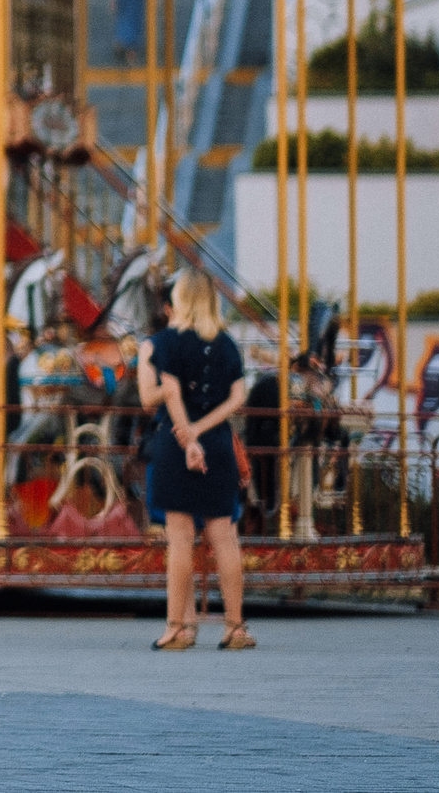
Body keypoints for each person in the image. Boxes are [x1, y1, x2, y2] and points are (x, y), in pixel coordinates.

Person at [148, 269, 255, 651]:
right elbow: (238, 396)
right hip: (219, 445)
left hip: (178, 447)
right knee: (224, 536)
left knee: (179, 539)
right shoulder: (226, 344)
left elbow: (172, 393)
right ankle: (235, 626)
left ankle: (178, 627)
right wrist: (205, 429)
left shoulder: (169, 343)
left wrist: (188, 436)